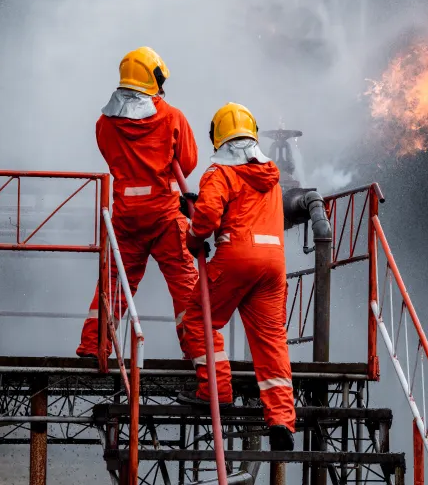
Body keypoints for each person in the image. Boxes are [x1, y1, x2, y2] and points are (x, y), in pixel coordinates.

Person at [179, 102, 296, 451]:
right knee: (271, 341)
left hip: (237, 257)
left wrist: (193, 239)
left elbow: (208, 218)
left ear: (217, 137)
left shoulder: (219, 173)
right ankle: (281, 421)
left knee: (197, 320)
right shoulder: (271, 175)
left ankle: (216, 390)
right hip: (273, 264)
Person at [76, 47, 199, 361]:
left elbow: (110, 156)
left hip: (126, 217)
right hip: (165, 213)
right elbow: (188, 162)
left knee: (115, 281)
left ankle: (94, 344)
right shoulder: (171, 117)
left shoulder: (105, 123)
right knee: (184, 282)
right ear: (154, 79)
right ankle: (197, 348)